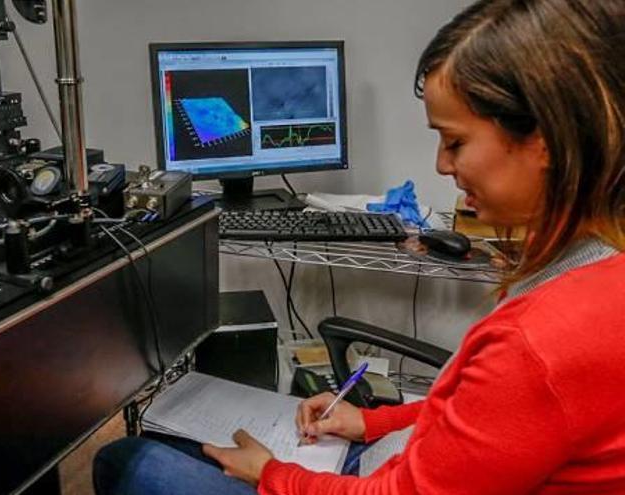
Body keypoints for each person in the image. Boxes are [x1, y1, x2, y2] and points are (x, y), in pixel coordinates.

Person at [93, 0, 625, 493]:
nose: (442, 164)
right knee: (174, 438)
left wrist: (274, 473)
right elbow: (485, 419)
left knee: (124, 459)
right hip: (395, 454)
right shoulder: (597, 266)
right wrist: (372, 421)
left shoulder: (537, 345)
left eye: (456, 141)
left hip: (378, 479)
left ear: (546, 140)